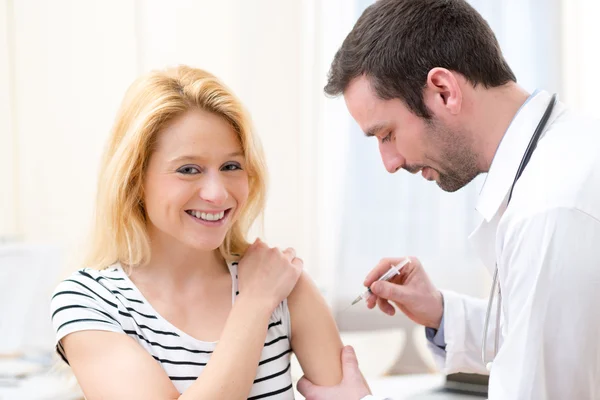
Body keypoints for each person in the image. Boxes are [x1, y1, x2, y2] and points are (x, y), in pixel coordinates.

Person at [297, 0, 600, 399]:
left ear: (443, 91)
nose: (389, 163)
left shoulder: (551, 211)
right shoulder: (561, 158)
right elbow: (537, 334)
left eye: (386, 134)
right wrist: (440, 312)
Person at [50, 65, 346, 399]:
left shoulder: (285, 285)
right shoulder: (92, 301)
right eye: (188, 169)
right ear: (135, 179)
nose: (217, 194)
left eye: (231, 166)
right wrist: (253, 304)